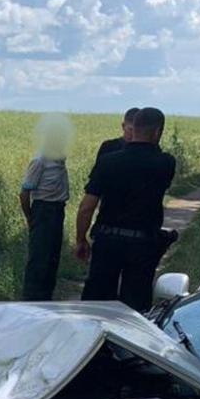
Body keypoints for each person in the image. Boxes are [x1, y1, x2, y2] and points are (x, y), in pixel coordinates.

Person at [76, 106, 175, 311]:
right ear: (157, 132)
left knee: (96, 305)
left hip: (107, 241)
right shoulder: (166, 163)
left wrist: (80, 238)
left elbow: (87, 207)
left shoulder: (107, 162)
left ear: (132, 128)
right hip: (142, 244)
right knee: (135, 308)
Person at [20, 115, 71, 300]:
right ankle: (32, 300)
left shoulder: (59, 159)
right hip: (43, 211)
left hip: (57, 211)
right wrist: (30, 218)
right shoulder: (40, 160)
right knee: (39, 259)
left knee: (51, 258)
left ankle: (46, 298)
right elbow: (24, 193)